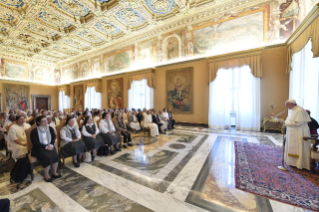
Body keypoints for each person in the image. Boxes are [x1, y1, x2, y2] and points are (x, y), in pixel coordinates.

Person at [280, 99, 311, 170]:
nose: (287, 107)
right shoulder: (294, 110)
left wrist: (285, 123)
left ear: (292, 104)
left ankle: (299, 163)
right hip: (293, 132)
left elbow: (299, 123)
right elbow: (290, 120)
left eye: (287, 105)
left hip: (299, 132)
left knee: (299, 147)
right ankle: (293, 163)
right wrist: (285, 122)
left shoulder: (299, 110)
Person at [31, 116, 61, 182]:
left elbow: (53, 138)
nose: (46, 122)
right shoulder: (34, 131)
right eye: (44, 121)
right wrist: (45, 147)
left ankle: (54, 172)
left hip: (49, 147)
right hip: (38, 149)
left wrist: (51, 145)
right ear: (38, 122)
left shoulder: (50, 128)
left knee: (56, 155)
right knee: (48, 158)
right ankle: (46, 175)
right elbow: (35, 143)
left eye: (46, 120)